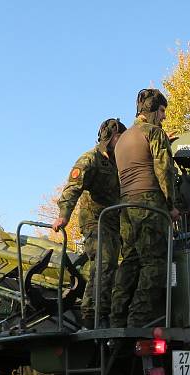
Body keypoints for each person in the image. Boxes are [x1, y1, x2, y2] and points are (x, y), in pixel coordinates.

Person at [110, 88, 180, 328]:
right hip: (149, 204)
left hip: (125, 207)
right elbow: (164, 171)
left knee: (129, 261)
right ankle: (137, 321)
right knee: (155, 263)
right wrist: (171, 206)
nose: (163, 117)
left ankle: (116, 318)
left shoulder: (123, 140)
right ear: (151, 110)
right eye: (161, 111)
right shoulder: (154, 134)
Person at [53, 118, 126, 328]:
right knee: (103, 262)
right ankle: (91, 314)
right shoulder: (90, 159)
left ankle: (106, 311)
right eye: (119, 138)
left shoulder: (119, 160)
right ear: (110, 138)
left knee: (113, 266)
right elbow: (72, 188)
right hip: (95, 220)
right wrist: (63, 215)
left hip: (113, 222)